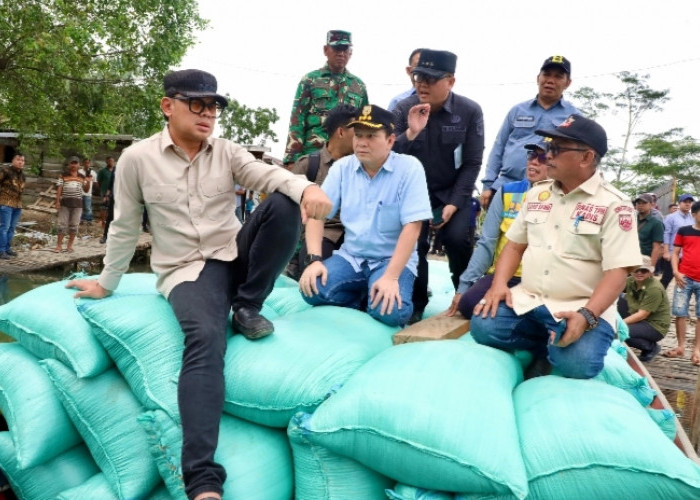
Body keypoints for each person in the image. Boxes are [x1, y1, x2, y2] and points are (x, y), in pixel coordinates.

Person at [65, 69, 332, 500]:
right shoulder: (137, 159)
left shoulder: (227, 152)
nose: (207, 114)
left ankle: (247, 305)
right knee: (206, 340)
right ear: (167, 106)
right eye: (197, 105)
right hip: (188, 270)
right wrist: (107, 283)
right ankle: (202, 479)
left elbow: (272, 177)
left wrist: (305, 189)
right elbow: (124, 225)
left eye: (213, 107)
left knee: (283, 204)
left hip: (236, 256)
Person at [471, 115, 642, 379]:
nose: (547, 155)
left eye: (556, 149)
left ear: (586, 158)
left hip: (581, 306)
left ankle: (559, 343)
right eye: (549, 146)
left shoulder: (615, 205)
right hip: (531, 300)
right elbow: (515, 247)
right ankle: (546, 344)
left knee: (579, 364)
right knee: (483, 325)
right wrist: (498, 286)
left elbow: (617, 273)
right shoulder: (536, 194)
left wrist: (587, 315)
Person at [299, 104, 431, 326]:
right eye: (358, 135)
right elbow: (317, 215)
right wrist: (314, 260)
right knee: (311, 290)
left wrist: (391, 277)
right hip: (351, 257)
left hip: (390, 261)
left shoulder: (409, 169)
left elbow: (413, 227)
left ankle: (374, 294)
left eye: (371, 136)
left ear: (390, 141)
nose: (361, 142)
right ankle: (364, 298)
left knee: (390, 312)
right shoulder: (342, 168)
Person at [392, 49, 485, 323]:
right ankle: (417, 302)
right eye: (419, 77)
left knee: (458, 240)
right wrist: (411, 132)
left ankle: (464, 296)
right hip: (411, 196)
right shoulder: (401, 109)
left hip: (452, 194)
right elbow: (387, 153)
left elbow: (472, 163)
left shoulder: (469, 112)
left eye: (430, 80)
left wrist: (455, 203)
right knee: (415, 246)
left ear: (450, 81)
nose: (422, 84)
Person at [446, 140, 549, 319]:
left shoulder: (561, 199)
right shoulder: (507, 192)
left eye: (542, 158)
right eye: (532, 155)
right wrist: (464, 286)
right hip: (504, 276)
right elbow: (487, 243)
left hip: (539, 281)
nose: (534, 161)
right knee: (469, 304)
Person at [480, 55, 579, 210]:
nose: (550, 80)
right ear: (538, 78)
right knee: (496, 234)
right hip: (507, 185)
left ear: (568, 83)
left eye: (558, 77)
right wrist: (488, 185)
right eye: (546, 75)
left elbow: (576, 158)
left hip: (548, 192)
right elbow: (498, 147)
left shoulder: (574, 117)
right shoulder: (517, 110)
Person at [283, 30, 369, 166]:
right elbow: (297, 120)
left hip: (348, 160)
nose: (341, 53)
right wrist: (292, 160)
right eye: (336, 48)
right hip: (314, 156)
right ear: (326, 50)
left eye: (345, 49)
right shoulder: (310, 80)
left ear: (350, 53)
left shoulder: (358, 86)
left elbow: (364, 124)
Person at [290, 103, 357, 277]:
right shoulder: (308, 165)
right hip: (321, 236)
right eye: (356, 131)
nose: (362, 137)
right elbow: (289, 214)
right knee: (316, 279)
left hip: (356, 237)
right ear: (341, 132)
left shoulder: (363, 167)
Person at [617, 256, 670, 362]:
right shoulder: (631, 281)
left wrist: (619, 324)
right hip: (637, 314)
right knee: (615, 299)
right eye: (636, 269)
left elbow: (642, 314)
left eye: (644, 270)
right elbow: (613, 289)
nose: (639, 273)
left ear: (650, 272)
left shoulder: (654, 288)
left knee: (619, 331)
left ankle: (651, 347)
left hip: (654, 325)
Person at [666, 200, 700, 364]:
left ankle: (697, 349)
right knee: (680, 312)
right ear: (694, 215)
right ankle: (680, 347)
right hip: (684, 277)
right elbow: (675, 253)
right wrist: (676, 271)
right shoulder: (684, 231)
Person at [54, 157, 89, 253]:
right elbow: (59, 188)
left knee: (74, 226)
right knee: (62, 225)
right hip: (65, 203)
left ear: (79, 165)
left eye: (75, 163)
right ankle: (59, 246)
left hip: (78, 204)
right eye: (72, 163)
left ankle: (69, 246)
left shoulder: (82, 176)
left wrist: (88, 181)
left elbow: (86, 190)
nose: (73, 165)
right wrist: (57, 201)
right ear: (69, 165)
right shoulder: (63, 175)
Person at [660, 193, 694, 289]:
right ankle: (656, 299)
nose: (687, 204)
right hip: (673, 253)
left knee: (684, 279)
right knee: (667, 277)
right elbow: (666, 234)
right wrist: (666, 252)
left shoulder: (693, 218)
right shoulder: (671, 217)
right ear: (679, 203)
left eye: (690, 202)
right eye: (685, 202)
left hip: (686, 254)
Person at [0, 153, 27, 259]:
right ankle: (1, 250)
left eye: (22, 160)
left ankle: (7, 249)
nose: (20, 162)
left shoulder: (22, 175)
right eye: (18, 160)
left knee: (11, 228)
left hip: (17, 205)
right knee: (4, 227)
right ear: (13, 161)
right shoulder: (5, 171)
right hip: (6, 203)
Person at [634, 193, 664, 267]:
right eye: (638, 203)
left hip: (645, 261)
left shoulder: (656, 223)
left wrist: (651, 267)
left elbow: (656, 248)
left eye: (644, 203)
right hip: (630, 259)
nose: (640, 205)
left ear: (651, 204)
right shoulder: (632, 219)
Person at [99, 164, 116, 244]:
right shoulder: (116, 169)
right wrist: (106, 195)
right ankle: (105, 236)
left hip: (127, 197)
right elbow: (110, 184)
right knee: (110, 217)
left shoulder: (132, 169)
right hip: (115, 196)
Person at [78, 157, 97, 224]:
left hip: (88, 193)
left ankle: (89, 220)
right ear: (83, 163)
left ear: (90, 164)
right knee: (80, 207)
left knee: (87, 207)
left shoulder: (93, 173)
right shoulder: (79, 172)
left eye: (88, 163)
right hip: (79, 192)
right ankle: (81, 220)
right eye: (85, 163)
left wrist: (93, 190)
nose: (87, 164)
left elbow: (95, 182)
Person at [98, 156, 115, 226]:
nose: (111, 162)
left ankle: (111, 221)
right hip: (104, 191)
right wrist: (103, 189)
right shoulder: (102, 171)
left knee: (113, 207)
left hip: (114, 191)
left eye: (112, 161)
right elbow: (99, 181)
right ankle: (103, 221)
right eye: (109, 161)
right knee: (104, 207)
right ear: (106, 162)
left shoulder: (116, 170)